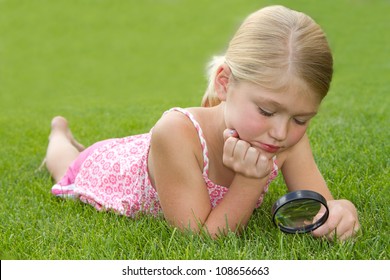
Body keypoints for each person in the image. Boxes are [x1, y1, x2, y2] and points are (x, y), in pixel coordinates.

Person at [43, 5, 360, 240]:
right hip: (111, 168)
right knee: (67, 165)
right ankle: (59, 131)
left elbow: (318, 207)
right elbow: (199, 238)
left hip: (162, 159)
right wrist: (249, 181)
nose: (280, 133)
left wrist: (341, 211)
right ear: (224, 83)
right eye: (266, 111)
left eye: (300, 119)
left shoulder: (287, 137)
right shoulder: (176, 132)